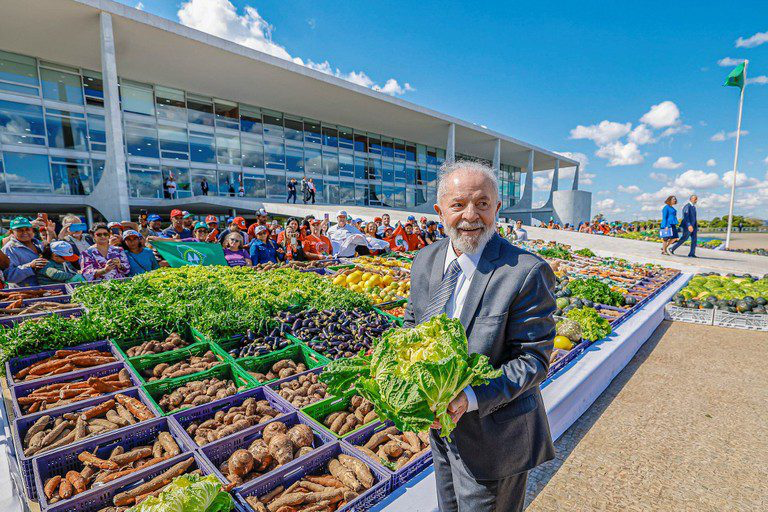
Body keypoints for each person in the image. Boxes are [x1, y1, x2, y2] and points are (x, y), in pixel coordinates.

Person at [404, 160, 555, 511]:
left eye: (482, 204)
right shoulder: (425, 260)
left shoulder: (526, 272)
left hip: (495, 439)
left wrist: (469, 397)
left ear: (497, 209)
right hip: (441, 433)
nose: (471, 215)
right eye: (458, 205)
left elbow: (533, 360)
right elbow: (413, 326)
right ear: (440, 211)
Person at [1, 217, 51, 287]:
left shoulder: (40, 244)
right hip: (25, 292)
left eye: (27, 229)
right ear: (12, 232)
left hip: (48, 288)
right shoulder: (9, 249)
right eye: (20, 230)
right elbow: (9, 276)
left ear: (32, 230)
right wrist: (30, 266)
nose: (24, 232)